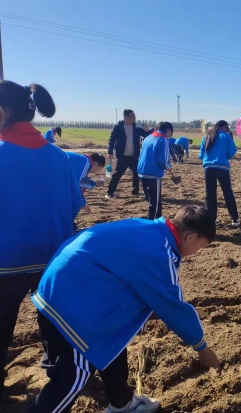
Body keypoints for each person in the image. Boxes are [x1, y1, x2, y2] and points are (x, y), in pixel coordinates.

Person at [28, 205, 220, 413]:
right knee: (73, 377)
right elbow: (174, 307)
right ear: (191, 237)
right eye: (200, 247)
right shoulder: (160, 252)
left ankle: (121, 401)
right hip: (70, 303)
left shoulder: (151, 230)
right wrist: (201, 347)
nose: (196, 253)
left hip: (64, 283)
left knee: (114, 338)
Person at [0, 80, 83, 400]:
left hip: (5, 262)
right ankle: (56, 369)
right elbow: (75, 205)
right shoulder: (59, 157)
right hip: (52, 258)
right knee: (52, 317)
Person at [199, 120, 240, 227]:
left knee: (210, 195)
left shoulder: (207, 136)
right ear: (225, 126)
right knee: (228, 193)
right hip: (222, 167)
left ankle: (212, 220)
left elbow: (201, 155)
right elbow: (231, 153)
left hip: (208, 168)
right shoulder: (226, 136)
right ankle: (235, 219)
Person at [106, 110, 153, 199]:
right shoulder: (118, 127)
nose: (134, 118)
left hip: (134, 155)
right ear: (126, 117)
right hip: (122, 156)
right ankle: (110, 193)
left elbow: (146, 135)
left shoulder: (137, 127)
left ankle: (135, 191)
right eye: (132, 116)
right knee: (117, 174)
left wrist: (148, 130)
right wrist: (110, 152)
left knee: (136, 173)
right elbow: (111, 139)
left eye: (135, 116)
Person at [137, 122, 173, 220]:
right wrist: (168, 166)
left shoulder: (148, 138)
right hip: (153, 174)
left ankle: (157, 220)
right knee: (155, 203)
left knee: (152, 201)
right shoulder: (163, 139)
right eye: (171, 133)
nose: (170, 136)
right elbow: (163, 161)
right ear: (168, 130)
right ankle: (153, 224)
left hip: (142, 172)